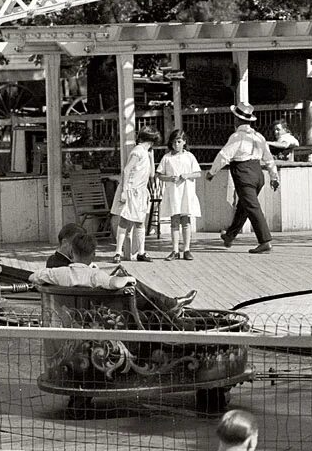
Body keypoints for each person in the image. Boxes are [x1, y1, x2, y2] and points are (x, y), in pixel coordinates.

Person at [33, 228, 194, 314]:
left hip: (84, 301)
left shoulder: (56, 270)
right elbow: (111, 282)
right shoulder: (92, 274)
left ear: (73, 252)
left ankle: (166, 305)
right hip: (94, 306)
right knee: (131, 284)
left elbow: (34, 276)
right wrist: (127, 279)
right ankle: (167, 305)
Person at [205, 101, 279, 255]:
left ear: (237, 120)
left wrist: (212, 172)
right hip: (258, 173)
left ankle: (265, 241)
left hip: (243, 173)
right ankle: (230, 236)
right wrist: (274, 176)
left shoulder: (237, 137)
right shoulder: (259, 137)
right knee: (244, 206)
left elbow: (224, 156)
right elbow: (269, 159)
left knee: (252, 207)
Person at [110, 128, 158, 262]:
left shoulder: (145, 153)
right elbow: (127, 170)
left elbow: (152, 174)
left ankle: (141, 252)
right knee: (125, 220)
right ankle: (118, 252)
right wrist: (124, 191)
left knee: (140, 222)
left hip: (140, 192)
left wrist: (151, 157)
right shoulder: (137, 151)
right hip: (131, 190)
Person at [157, 129, 202, 261]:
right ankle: (175, 250)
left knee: (186, 220)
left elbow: (198, 173)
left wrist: (187, 175)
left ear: (184, 142)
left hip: (186, 192)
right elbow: (159, 174)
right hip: (174, 192)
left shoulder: (189, 156)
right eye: (174, 142)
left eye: (179, 141)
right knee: (175, 220)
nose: (176, 145)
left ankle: (187, 249)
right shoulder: (167, 158)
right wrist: (170, 178)